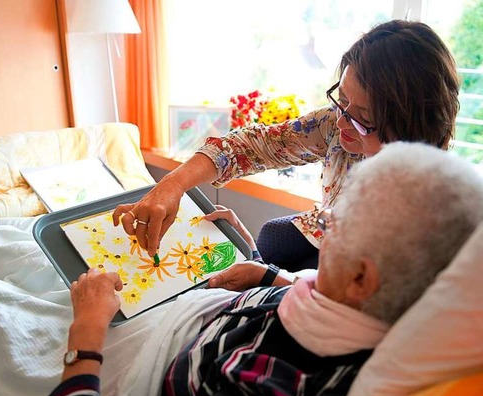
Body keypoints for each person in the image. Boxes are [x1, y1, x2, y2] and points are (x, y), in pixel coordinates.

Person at [46, 142, 483, 396]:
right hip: (215, 307)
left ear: (362, 277)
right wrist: (261, 267)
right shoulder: (353, 303)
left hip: (137, 353)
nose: (320, 224)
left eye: (334, 223)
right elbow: (300, 296)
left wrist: (85, 332)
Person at [112, 19, 460, 272]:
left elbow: (359, 306)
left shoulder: (428, 211)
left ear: (411, 127)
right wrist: (171, 186)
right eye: (340, 101)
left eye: (362, 118)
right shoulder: (334, 127)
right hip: (315, 255)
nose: (339, 123)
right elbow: (249, 145)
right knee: (274, 235)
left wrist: (269, 278)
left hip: (335, 290)